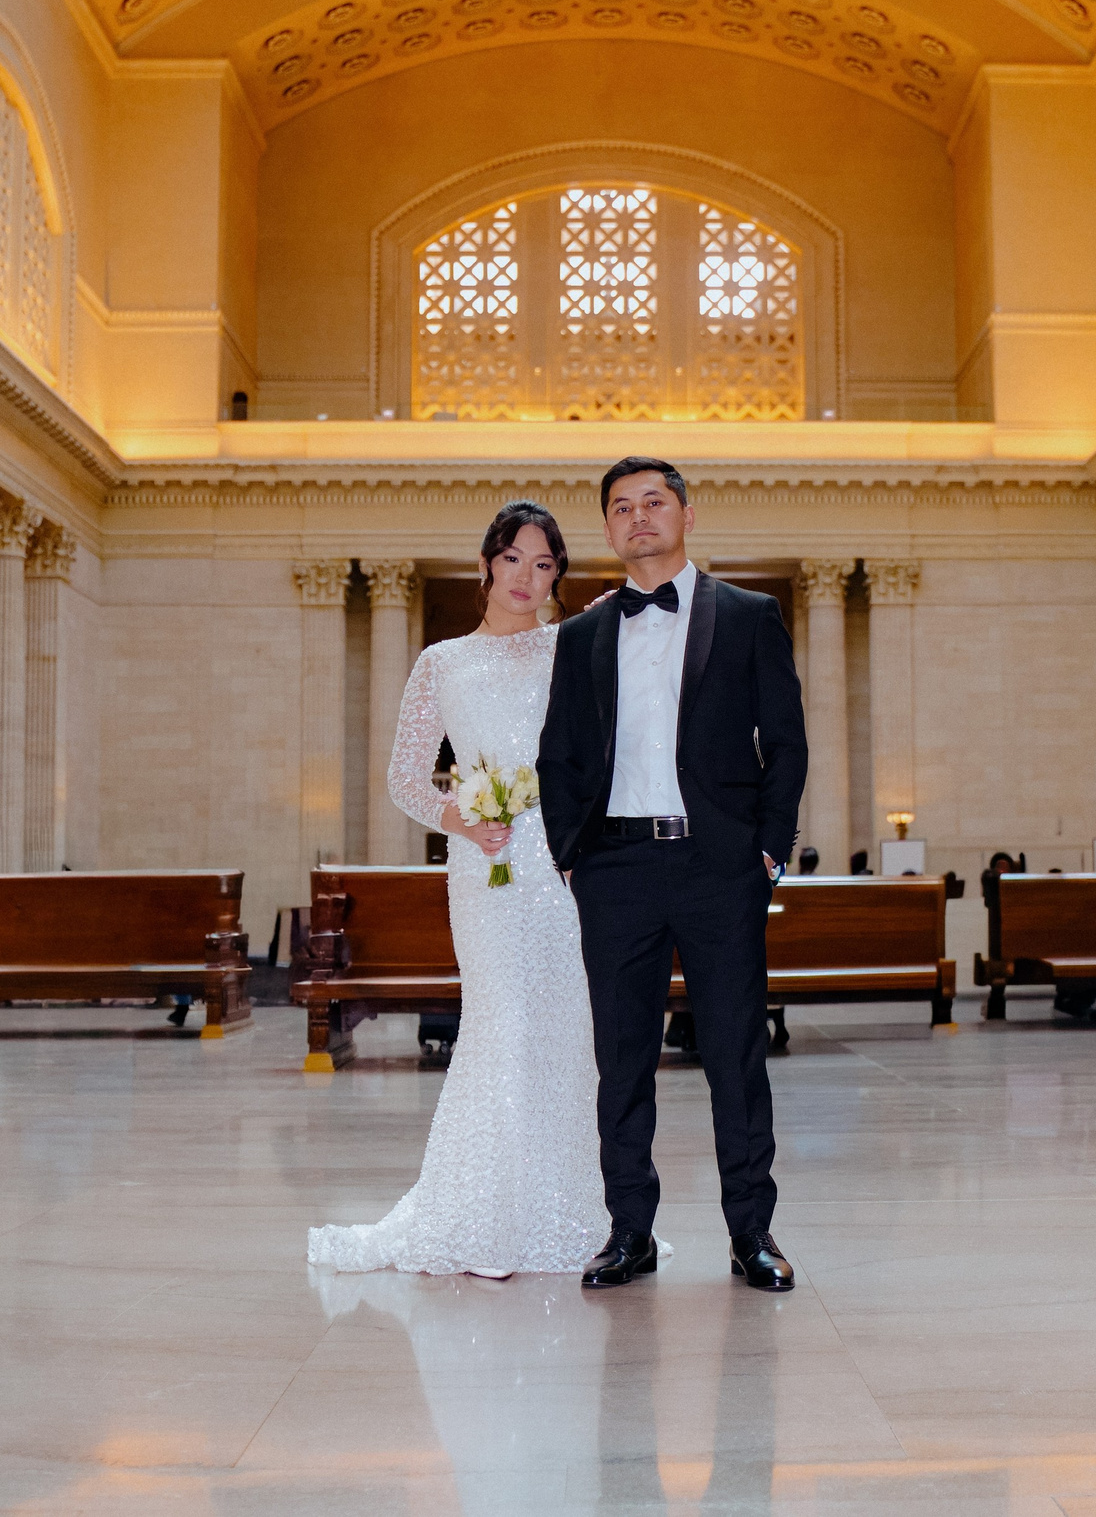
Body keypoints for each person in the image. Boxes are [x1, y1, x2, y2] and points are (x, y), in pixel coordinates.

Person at [307, 502, 610, 1279]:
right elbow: (405, 779)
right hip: (489, 864)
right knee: (501, 1027)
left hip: (567, 867)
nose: (527, 578)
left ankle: (561, 1212)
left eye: (545, 566)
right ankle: (481, 1214)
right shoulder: (442, 662)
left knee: (566, 1032)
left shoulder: (568, 647)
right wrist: (465, 820)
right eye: (514, 559)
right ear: (486, 564)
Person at [539, 457, 809, 1292]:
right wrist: (572, 854)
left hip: (718, 865)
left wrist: (766, 850)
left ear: (688, 514)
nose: (637, 517)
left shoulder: (749, 614)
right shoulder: (582, 634)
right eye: (620, 507)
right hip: (614, 867)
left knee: (735, 1052)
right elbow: (560, 754)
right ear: (609, 529)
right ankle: (630, 1232)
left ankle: (752, 1231)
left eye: (653, 501)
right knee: (621, 1058)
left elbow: (787, 743)